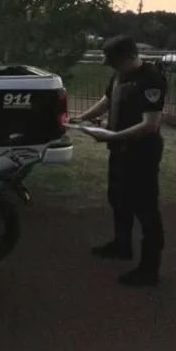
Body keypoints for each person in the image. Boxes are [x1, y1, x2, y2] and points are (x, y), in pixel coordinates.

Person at [73, 34, 167, 287]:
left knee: (145, 208)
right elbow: (107, 101)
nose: (112, 66)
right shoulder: (119, 75)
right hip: (119, 150)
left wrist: (112, 136)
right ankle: (121, 244)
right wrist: (81, 118)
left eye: (116, 61)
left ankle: (150, 268)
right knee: (118, 198)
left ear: (131, 56)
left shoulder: (151, 80)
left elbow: (150, 124)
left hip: (142, 153)